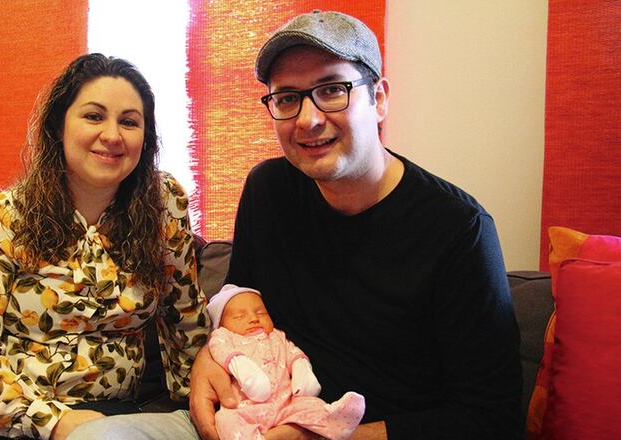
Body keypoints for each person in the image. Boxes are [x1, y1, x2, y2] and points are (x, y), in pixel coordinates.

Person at [189, 10, 523, 440]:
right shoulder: (268, 190)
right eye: (287, 97)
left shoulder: (459, 230)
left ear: (379, 98)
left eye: (332, 90)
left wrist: (323, 435)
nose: (308, 119)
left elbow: (492, 419)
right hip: (257, 421)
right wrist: (206, 363)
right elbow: (241, 309)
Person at [0, 53, 210, 440]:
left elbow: (186, 320)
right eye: (93, 116)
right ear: (58, 125)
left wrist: (211, 408)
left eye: (129, 121)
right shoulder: (0, 220)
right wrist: (52, 421)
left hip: (103, 412)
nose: (112, 134)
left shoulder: (164, 206)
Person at [207, 284, 364, 440]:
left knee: (310, 405)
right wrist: (241, 365)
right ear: (221, 325)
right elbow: (220, 350)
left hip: (286, 402)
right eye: (240, 317)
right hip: (247, 406)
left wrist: (302, 373)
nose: (254, 319)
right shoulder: (225, 337)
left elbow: (293, 353)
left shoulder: (277, 336)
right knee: (226, 420)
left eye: (261, 313)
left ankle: (336, 421)